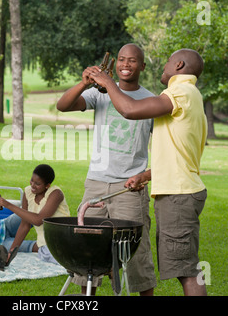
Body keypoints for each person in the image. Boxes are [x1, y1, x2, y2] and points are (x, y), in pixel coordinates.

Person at [89, 48, 208, 296]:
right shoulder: (190, 94)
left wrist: (108, 81)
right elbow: (177, 151)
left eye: (167, 62)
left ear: (179, 65)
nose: (163, 66)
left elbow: (129, 110)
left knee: (186, 270)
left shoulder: (181, 92)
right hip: (178, 189)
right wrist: (145, 176)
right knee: (184, 266)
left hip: (179, 193)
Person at [56, 43, 157, 296]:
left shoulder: (152, 101)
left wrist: (147, 175)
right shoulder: (99, 95)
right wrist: (84, 83)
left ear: (142, 66)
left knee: (137, 252)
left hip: (130, 189)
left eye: (132, 60)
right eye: (121, 59)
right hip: (96, 182)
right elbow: (63, 105)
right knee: (87, 249)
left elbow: (167, 150)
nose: (125, 64)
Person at [0, 164, 70, 264]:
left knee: (65, 261)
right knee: (8, 246)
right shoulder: (28, 192)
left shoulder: (56, 194)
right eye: (31, 181)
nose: (33, 185)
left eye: (37, 184)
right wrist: (11, 252)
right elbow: (25, 225)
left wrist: (8, 205)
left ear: (47, 185)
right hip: (45, 246)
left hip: (61, 243)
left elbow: (39, 220)